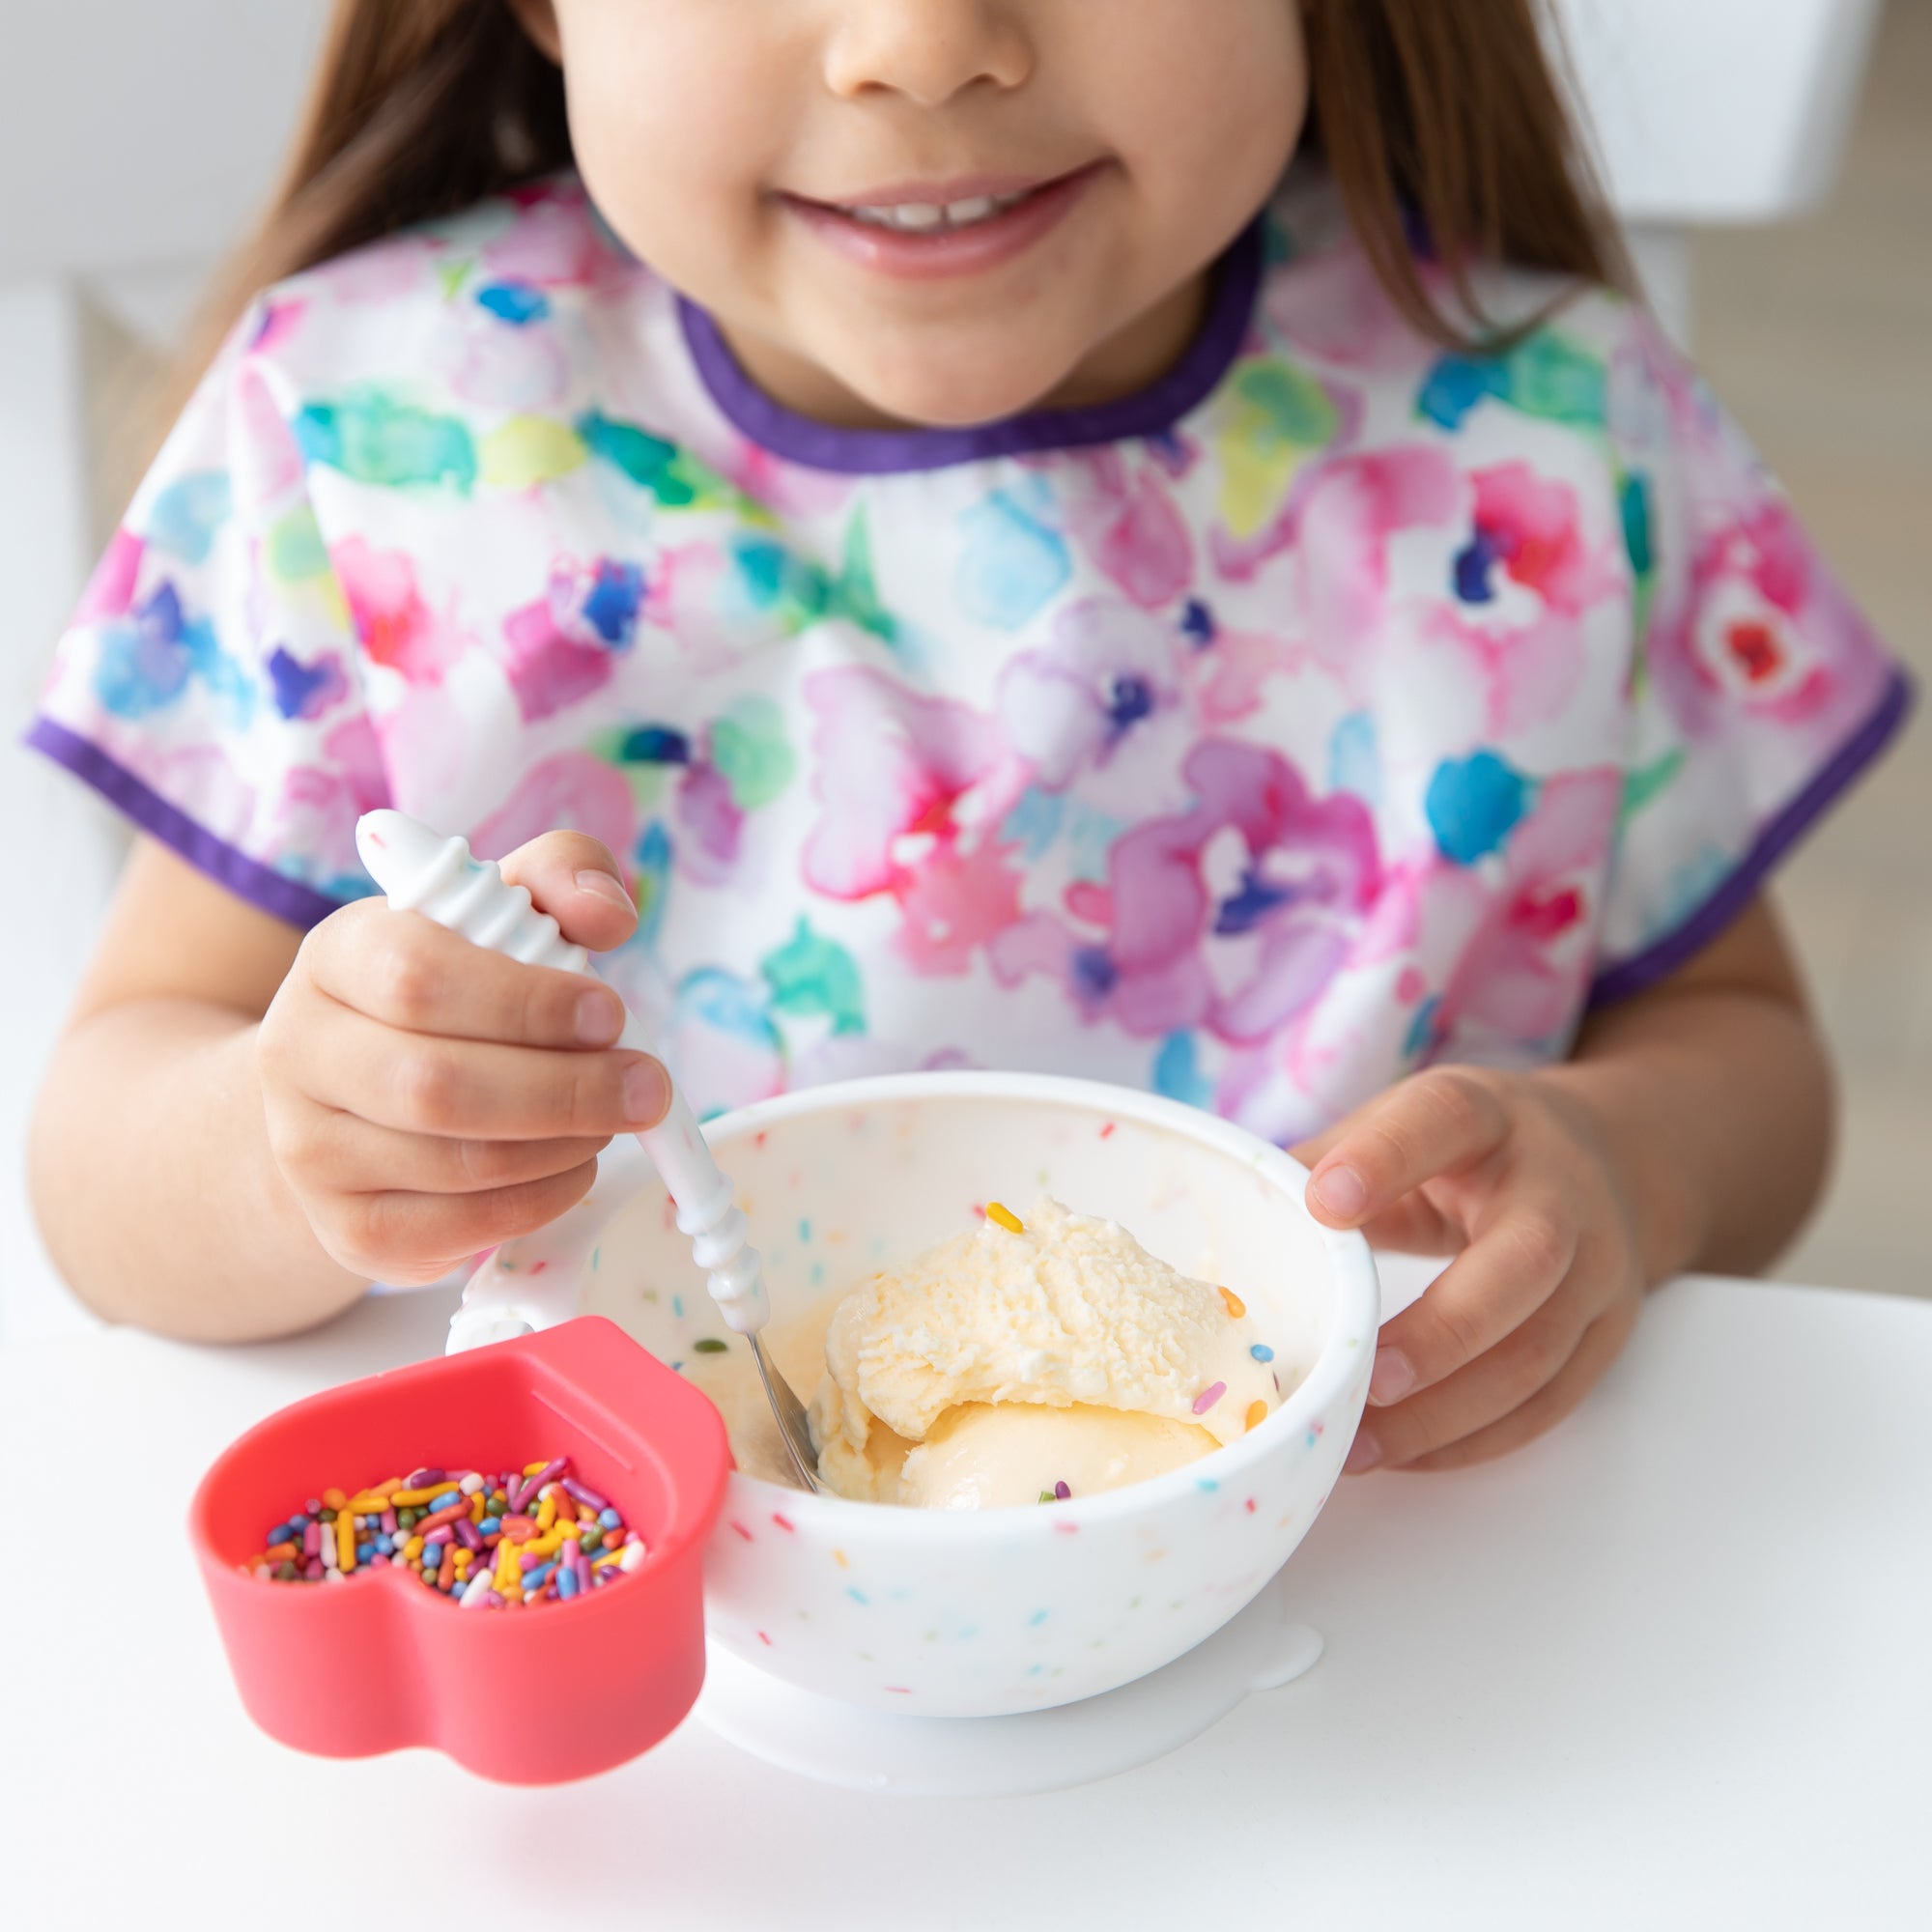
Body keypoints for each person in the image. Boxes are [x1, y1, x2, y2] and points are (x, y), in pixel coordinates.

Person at [26, 0, 1906, 1476]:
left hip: (1381, 1627)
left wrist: (1613, 1166)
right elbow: (104, 1149)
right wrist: (296, 1146)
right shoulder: (369, 440)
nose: (921, 41)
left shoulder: (1541, 449)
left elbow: (1743, 1058)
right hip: (682, 1693)